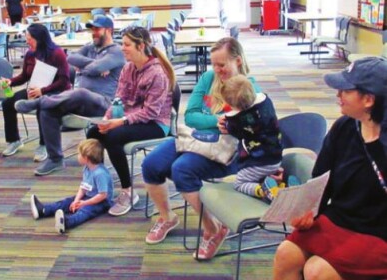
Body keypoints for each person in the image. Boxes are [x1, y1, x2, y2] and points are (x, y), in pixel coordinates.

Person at [141, 37, 260, 259]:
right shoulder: (208, 78)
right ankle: (167, 217)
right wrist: (217, 121)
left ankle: (214, 228)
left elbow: (243, 128)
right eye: (213, 64)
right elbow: (190, 116)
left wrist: (217, 121)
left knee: (182, 169)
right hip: (195, 139)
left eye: (222, 65)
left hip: (227, 151)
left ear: (238, 61)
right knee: (151, 164)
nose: (217, 70)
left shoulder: (249, 87)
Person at [273, 57, 387, 280]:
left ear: (368, 99)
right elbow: (321, 179)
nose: (338, 95)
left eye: (345, 90)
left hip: (378, 231)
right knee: (285, 254)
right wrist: (309, 212)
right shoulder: (344, 126)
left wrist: (375, 146)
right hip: (341, 217)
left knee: (318, 271)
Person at [14, 16, 125, 176]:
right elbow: (71, 58)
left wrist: (88, 68)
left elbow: (95, 68)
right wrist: (93, 66)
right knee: (48, 110)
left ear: (108, 30)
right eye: (92, 29)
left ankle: (38, 102)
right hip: (79, 101)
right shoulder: (90, 48)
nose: (93, 33)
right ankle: (55, 159)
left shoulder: (117, 51)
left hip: (103, 103)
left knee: (78, 93)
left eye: (97, 29)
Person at [87, 26, 175, 217]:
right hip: (133, 118)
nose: (122, 48)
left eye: (127, 45)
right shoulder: (128, 68)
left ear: (141, 46)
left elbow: (151, 113)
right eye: (122, 44)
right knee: (93, 133)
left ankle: (128, 191)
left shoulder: (158, 74)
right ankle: (99, 182)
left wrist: (119, 122)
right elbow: (119, 99)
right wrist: (105, 118)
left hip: (157, 124)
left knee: (113, 137)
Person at [0, 24, 71, 159]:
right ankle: (14, 140)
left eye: (30, 39)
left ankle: (44, 145)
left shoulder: (57, 53)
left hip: (56, 92)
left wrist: (43, 90)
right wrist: (11, 81)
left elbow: (64, 80)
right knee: (7, 103)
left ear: (40, 39)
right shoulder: (30, 54)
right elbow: (24, 76)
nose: (27, 41)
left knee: (41, 106)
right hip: (36, 89)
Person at [220, 74, 284, 202]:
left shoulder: (236, 121)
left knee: (239, 183)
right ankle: (281, 187)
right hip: (276, 157)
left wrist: (226, 122)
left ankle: (263, 190)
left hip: (258, 163)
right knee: (262, 172)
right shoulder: (266, 101)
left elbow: (234, 130)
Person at [30, 139, 113, 234]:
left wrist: (84, 203)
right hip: (90, 195)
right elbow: (83, 187)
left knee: (85, 211)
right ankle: (44, 210)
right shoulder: (87, 168)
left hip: (102, 202)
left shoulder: (100, 174)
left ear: (86, 158)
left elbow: (103, 195)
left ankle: (67, 222)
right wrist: (77, 200)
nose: (78, 156)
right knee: (68, 201)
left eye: (79, 154)